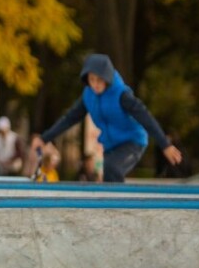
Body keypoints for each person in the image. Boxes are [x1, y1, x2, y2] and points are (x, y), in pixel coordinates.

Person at [31, 54, 183, 183]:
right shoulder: (88, 96)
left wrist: (165, 145)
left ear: (107, 78)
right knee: (108, 175)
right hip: (110, 145)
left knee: (112, 168)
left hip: (133, 142)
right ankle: (112, 212)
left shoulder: (122, 95)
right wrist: (44, 138)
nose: (95, 85)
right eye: (92, 80)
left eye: (99, 80)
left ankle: (118, 209)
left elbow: (145, 118)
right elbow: (69, 119)